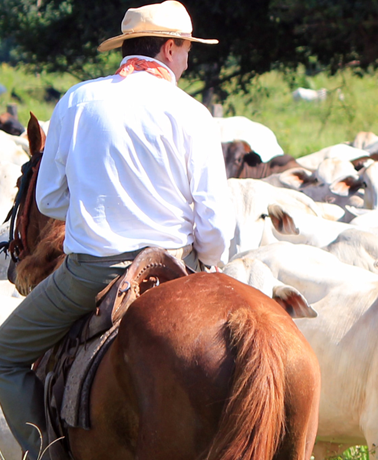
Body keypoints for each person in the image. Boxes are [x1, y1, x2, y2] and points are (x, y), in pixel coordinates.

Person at [0, 1, 234, 457]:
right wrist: (203, 264)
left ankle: (49, 452)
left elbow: (48, 199)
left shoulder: (79, 100)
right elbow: (215, 223)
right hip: (176, 267)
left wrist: (95, 199)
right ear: (169, 48)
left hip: (94, 275)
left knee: (4, 356)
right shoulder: (193, 114)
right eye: (187, 49)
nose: (188, 60)